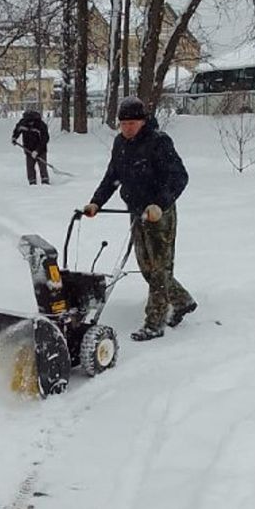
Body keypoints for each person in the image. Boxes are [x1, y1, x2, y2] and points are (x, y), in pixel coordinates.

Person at [83, 95, 196, 341]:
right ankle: (182, 300)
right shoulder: (120, 144)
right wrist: (96, 202)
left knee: (159, 269)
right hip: (136, 212)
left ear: (143, 121)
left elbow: (180, 177)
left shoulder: (159, 142)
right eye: (123, 124)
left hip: (159, 214)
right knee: (146, 267)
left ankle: (154, 323)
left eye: (132, 123)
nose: (127, 128)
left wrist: (160, 204)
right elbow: (112, 176)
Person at [12, 108, 50, 185]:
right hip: (28, 148)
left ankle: (45, 181)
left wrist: (37, 151)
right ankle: (32, 182)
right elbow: (17, 130)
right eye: (28, 122)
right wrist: (14, 137)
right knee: (30, 167)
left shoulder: (41, 125)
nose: (30, 124)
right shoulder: (22, 123)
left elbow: (45, 139)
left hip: (41, 149)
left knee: (42, 166)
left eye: (31, 122)